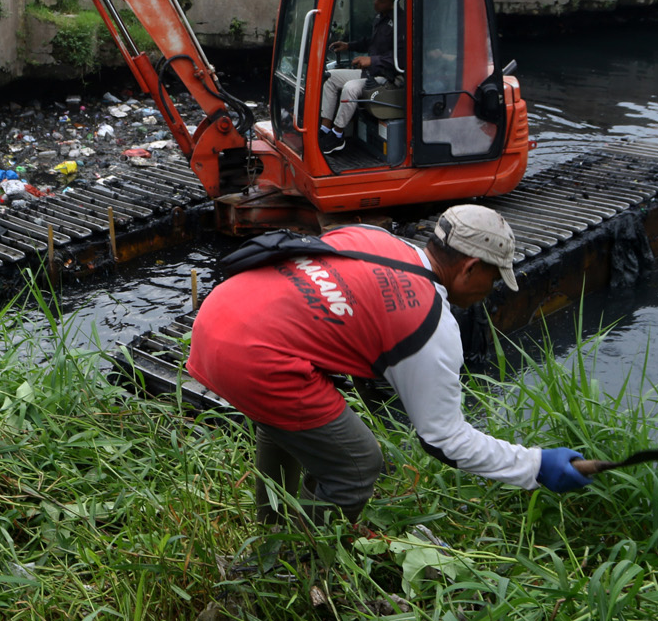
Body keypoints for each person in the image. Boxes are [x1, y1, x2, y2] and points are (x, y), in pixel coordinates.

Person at [186, 204, 591, 525]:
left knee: (287, 424)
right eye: (494, 278)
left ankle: (271, 525)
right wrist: (535, 465)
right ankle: (293, 566)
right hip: (255, 357)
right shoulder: (431, 323)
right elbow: (444, 440)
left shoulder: (375, 237)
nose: (490, 290)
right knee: (359, 465)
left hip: (219, 313)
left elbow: (340, 305)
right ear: (470, 268)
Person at [316, 0, 403, 154]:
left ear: (393, 3)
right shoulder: (381, 18)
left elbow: (402, 57)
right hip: (370, 72)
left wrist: (373, 60)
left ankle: (338, 134)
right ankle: (325, 129)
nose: (375, 3)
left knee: (350, 88)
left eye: (381, 0)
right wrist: (349, 46)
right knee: (330, 78)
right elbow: (372, 42)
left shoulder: (402, 24)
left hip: (386, 76)